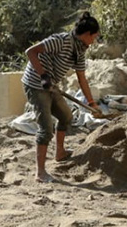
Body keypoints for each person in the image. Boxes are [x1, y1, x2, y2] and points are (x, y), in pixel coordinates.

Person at [22, 12, 102, 183]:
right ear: (86, 34)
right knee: (46, 128)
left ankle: (60, 152)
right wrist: (43, 75)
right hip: (36, 84)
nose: (93, 41)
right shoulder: (61, 40)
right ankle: (40, 173)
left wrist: (92, 103)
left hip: (52, 86)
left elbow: (82, 78)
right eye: (93, 37)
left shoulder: (79, 51)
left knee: (66, 116)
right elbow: (31, 52)